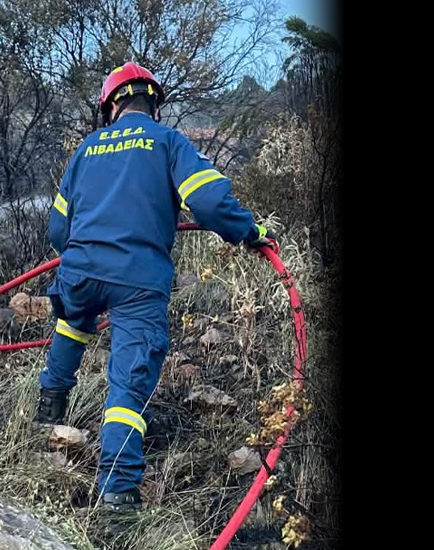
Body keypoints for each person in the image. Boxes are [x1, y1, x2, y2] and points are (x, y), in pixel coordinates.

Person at [32, 61, 277, 512]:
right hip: (138, 282)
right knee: (128, 381)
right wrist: (248, 231)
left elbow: (57, 231)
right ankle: (118, 494)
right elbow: (207, 201)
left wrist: (90, 250)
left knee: (73, 319)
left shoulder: (86, 150)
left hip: (81, 268)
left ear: (110, 107)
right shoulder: (167, 141)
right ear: (153, 104)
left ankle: (47, 413)